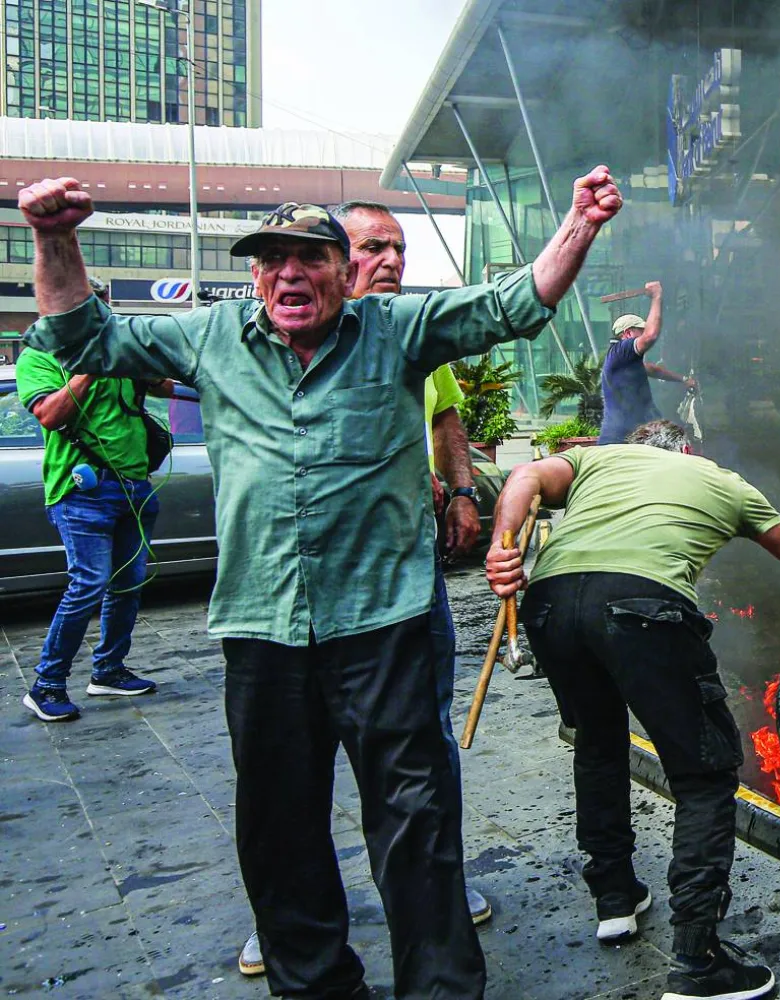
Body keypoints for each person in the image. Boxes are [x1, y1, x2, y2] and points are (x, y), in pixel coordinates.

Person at [19, 166, 620, 999]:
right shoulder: (211, 337)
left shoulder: (395, 330)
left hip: (386, 626)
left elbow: (512, 303)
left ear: (344, 271)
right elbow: (85, 338)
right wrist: (54, 236)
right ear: (254, 273)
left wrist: (581, 223)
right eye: (270, 259)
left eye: (307, 256)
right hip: (264, 632)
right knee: (279, 831)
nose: (288, 273)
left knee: (416, 824)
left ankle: (440, 989)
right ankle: (314, 986)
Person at [485, 419, 780, 1000]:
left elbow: (523, 476)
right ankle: (698, 962)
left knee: (598, 746)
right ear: (687, 450)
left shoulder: (598, 461)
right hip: (641, 606)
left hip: (550, 604)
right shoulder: (719, 478)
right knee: (703, 775)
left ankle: (615, 898)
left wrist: (503, 546)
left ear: (634, 448)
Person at [231, 201, 492, 977]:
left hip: (402, 583)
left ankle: (432, 889)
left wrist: (464, 490)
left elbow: (445, 417)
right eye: (374, 244)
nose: (392, 259)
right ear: (343, 260)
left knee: (419, 750)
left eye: (399, 247)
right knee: (284, 772)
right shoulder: (276, 340)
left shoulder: (414, 332)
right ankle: (283, 920)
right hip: (294, 599)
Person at [15, 276, 171, 722]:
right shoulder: (39, 355)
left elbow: (161, 384)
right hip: (81, 490)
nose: (93, 312)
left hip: (135, 485)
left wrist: (130, 355)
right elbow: (47, 414)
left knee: (129, 582)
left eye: (98, 304)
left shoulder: (117, 346)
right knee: (89, 584)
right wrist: (90, 364)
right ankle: (46, 684)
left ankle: (108, 669)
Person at [599, 281, 697, 445]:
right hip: (623, 440)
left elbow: (651, 369)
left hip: (637, 435)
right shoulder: (621, 350)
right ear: (628, 333)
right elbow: (651, 336)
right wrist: (657, 297)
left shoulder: (625, 360)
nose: (644, 334)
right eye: (640, 331)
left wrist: (684, 379)